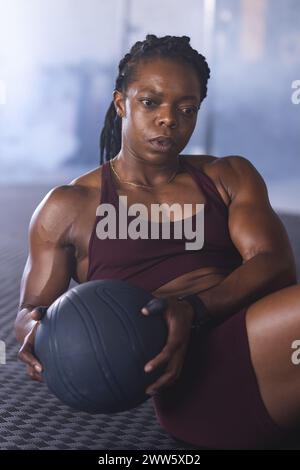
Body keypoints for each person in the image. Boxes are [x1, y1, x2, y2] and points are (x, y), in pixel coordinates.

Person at [15, 34, 299, 449]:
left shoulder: (228, 177)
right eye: (150, 103)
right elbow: (30, 312)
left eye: (187, 109)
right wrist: (36, 333)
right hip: (196, 387)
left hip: (267, 343)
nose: (170, 119)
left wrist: (194, 309)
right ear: (120, 104)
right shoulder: (70, 206)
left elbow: (274, 263)